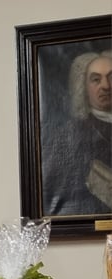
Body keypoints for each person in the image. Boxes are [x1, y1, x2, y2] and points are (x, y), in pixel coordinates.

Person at [42, 50, 112, 216]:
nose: (106, 86)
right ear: (84, 87)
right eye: (96, 79)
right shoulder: (68, 135)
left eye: (111, 77)